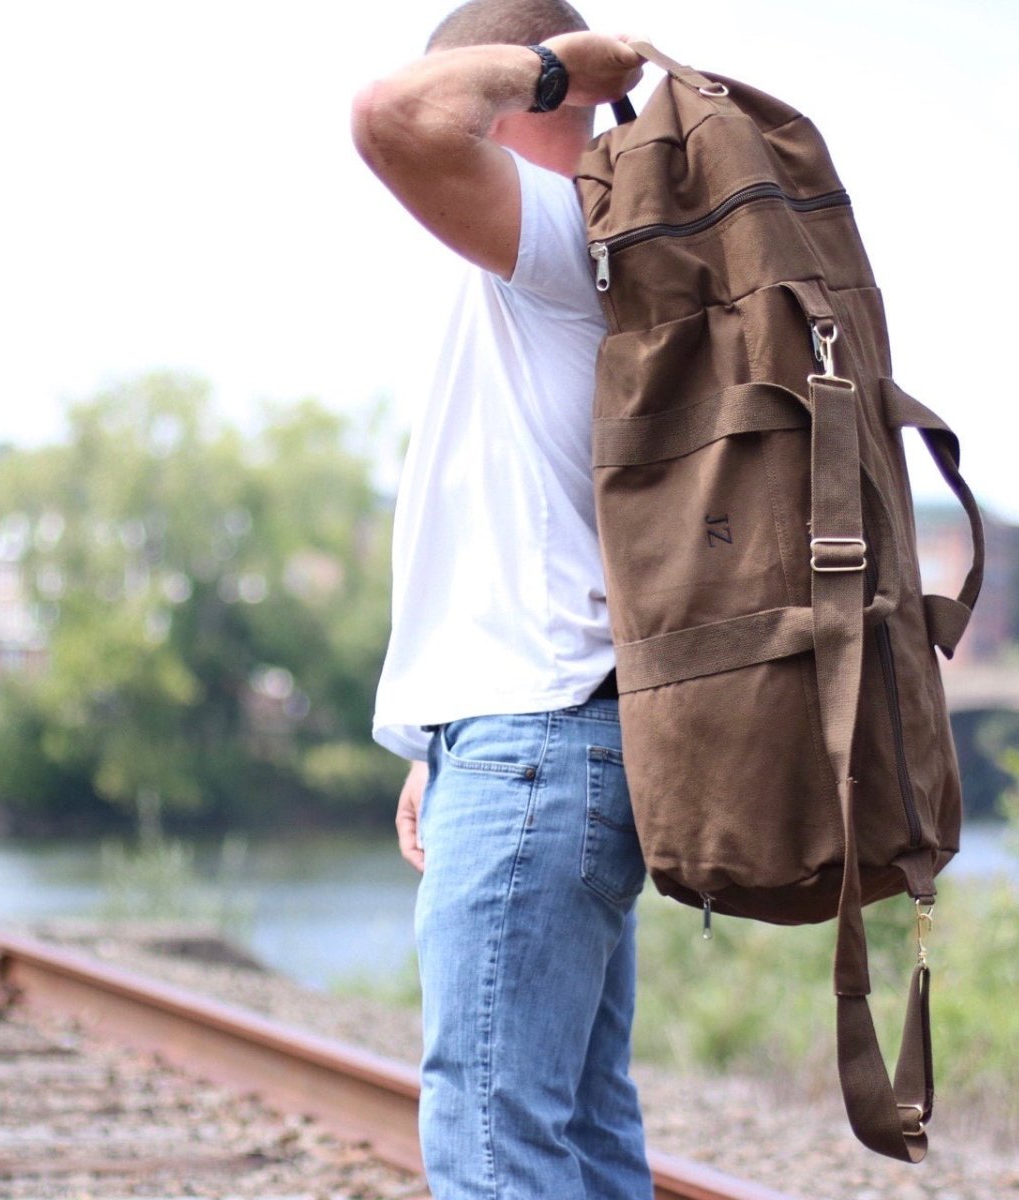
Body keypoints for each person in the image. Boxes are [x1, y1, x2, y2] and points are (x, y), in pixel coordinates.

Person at [351, 3, 652, 1197]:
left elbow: (388, 117)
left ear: (524, 102)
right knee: (574, 1129)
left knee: (493, 1143)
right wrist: (445, 734)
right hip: (538, 730)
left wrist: (549, 72)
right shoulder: (569, 258)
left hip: (539, 742)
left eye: (484, 105)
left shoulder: (562, 231)